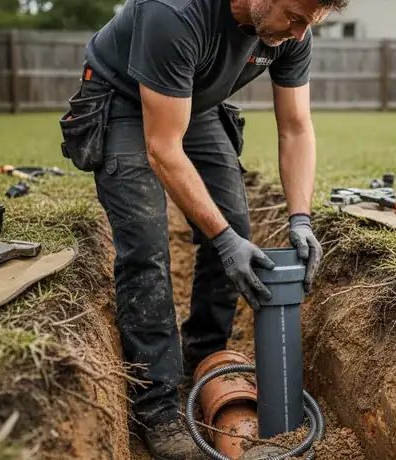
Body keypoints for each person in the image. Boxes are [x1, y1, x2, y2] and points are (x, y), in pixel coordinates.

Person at [60, 0, 348, 457]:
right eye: (294, 17)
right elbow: (162, 146)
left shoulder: (294, 30)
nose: (298, 33)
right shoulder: (175, 12)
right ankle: (157, 405)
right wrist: (223, 239)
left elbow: (296, 127)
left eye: (309, 24)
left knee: (234, 225)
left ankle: (206, 358)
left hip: (194, 103)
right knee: (146, 247)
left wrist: (300, 218)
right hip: (124, 100)